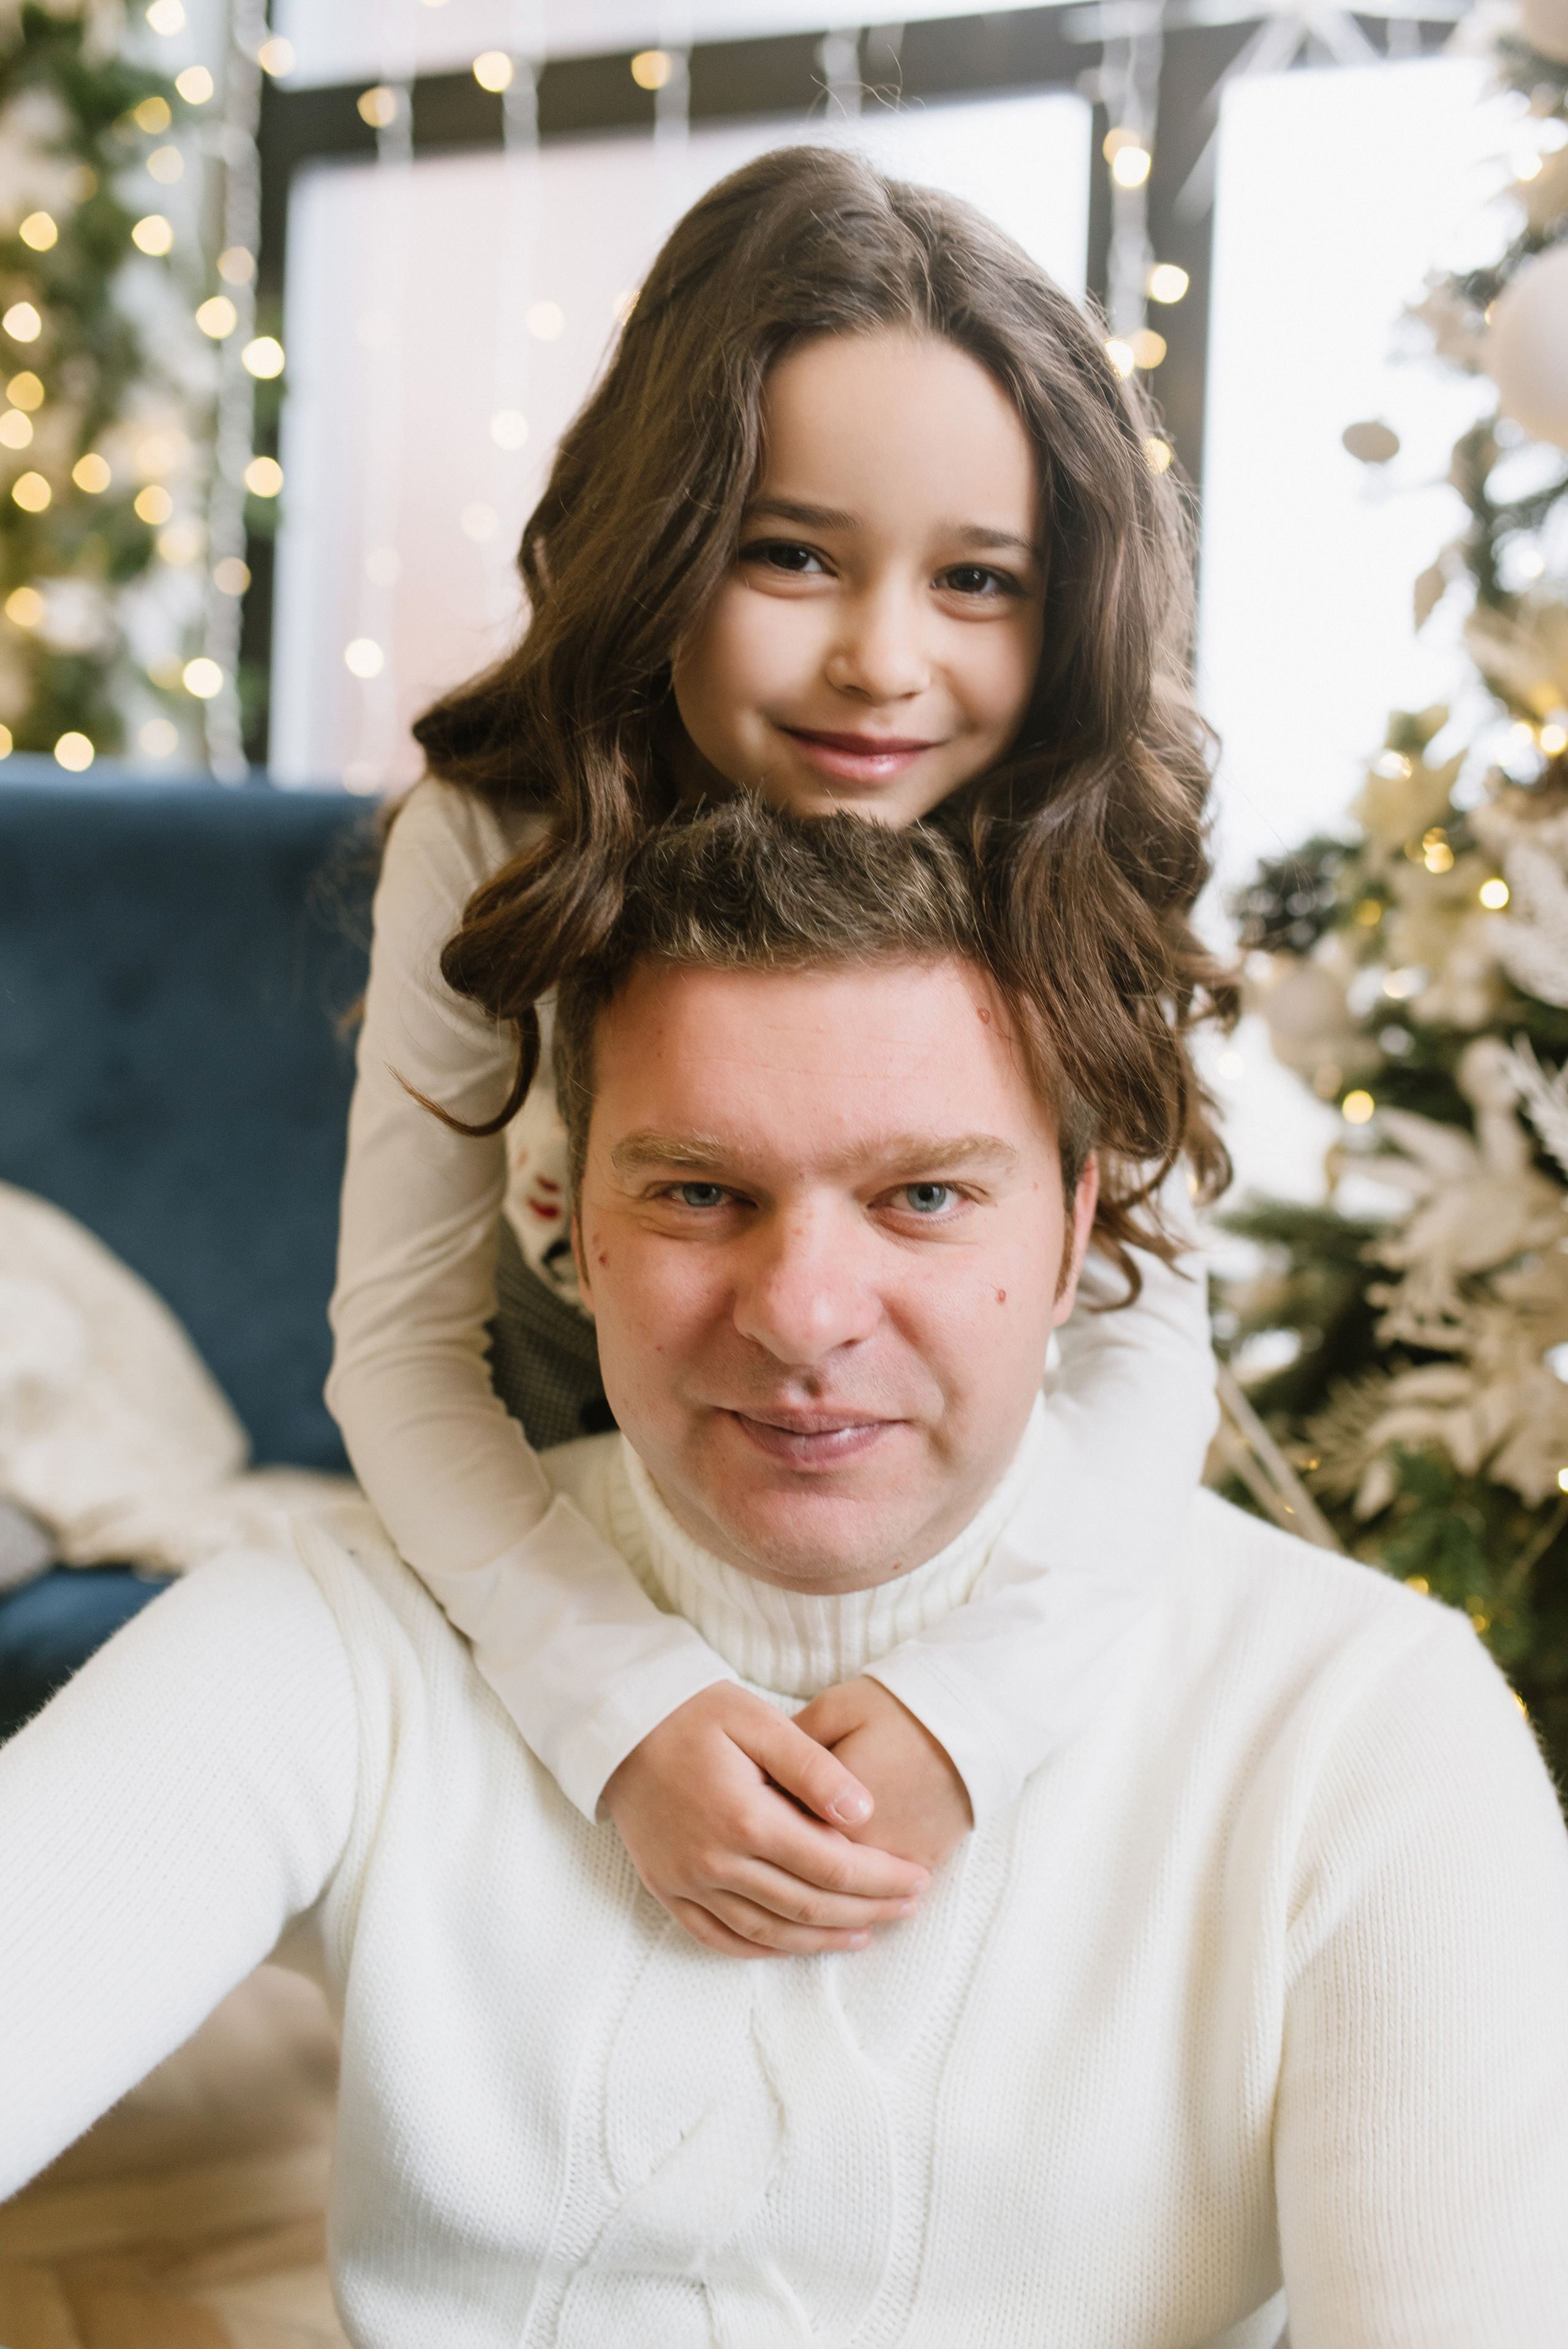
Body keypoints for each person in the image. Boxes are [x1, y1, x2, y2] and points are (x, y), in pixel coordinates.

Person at [5, 803, 1566, 2347]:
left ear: (1082, 1226)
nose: (804, 1314)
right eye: (697, 1192)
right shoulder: (333, 1636)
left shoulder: (1365, 1732)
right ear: (569, 1227)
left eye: (925, 1197)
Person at [327, 144, 1238, 1945]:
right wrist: (622, 1706)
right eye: (794, 555)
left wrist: (970, 1714)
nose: (883, 664)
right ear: (663, 540)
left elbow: (1148, 1355)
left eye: (978, 580)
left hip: (968, 1555)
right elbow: (401, 1354)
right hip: (585, 1545)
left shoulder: (1071, 826)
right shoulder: (493, 835)